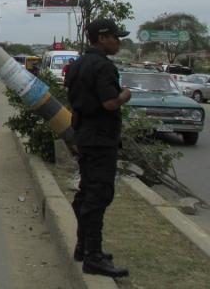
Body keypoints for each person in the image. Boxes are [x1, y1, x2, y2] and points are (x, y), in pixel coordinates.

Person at [66, 19, 131, 278]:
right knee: (98, 195)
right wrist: (124, 95)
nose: (118, 42)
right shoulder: (102, 66)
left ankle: (84, 247)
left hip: (84, 136)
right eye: (116, 37)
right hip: (100, 139)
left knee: (86, 193)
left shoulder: (78, 64)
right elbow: (109, 103)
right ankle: (93, 256)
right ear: (102, 38)